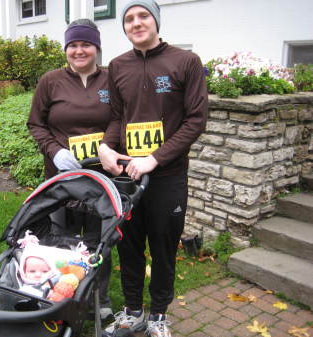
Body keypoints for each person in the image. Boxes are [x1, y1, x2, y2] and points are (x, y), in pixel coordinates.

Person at [98, 1, 208, 336]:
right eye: (129, 18)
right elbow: (118, 116)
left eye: (143, 15)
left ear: (156, 20)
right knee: (129, 246)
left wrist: (156, 158)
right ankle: (132, 311)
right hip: (128, 176)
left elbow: (195, 121)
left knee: (163, 248)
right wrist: (106, 145)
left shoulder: (185, 61)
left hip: (167, 177)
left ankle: (158, 315)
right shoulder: (118, 66)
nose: (136, 22)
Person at [27, 18, 113, 319]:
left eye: (86, 44)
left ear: (96, 48)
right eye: (73, 45)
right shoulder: (51, 81)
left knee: (98, 241)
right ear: (66, 49)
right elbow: (35, 123)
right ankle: (57, 296)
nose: (79, 50)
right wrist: (55, 151)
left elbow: (121, 118)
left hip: (101, 178)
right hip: (60, 177)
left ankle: (99, 300)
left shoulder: (111, 80)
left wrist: (109, 147)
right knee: (58, 237)